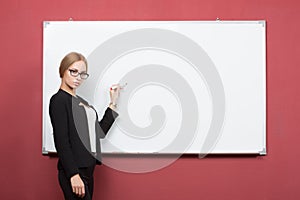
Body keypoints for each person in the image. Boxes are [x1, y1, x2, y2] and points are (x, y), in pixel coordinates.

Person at [49, 52, 120, 200]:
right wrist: (73, 174)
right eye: (73, 71)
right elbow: (62, 141)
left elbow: (99, 132)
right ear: (63, 70)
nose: (78, 77)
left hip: (88, 170)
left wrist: (113, 103)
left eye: (82, 74)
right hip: (75, 171)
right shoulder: (59, 100)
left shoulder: (82, 102)